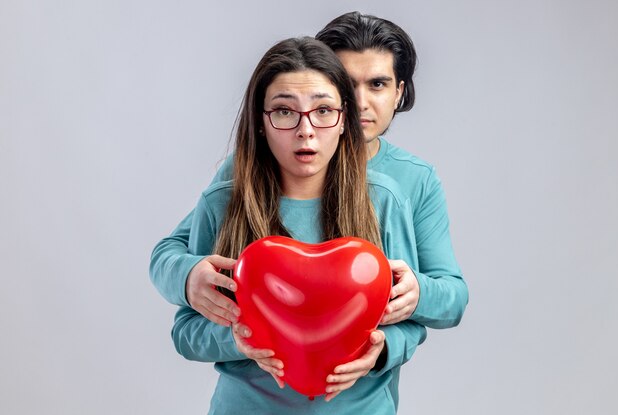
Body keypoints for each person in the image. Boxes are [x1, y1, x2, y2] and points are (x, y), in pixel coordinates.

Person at [151, 11, 467, 331]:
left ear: (399, 92)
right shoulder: (257, 167)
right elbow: (173, 250)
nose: (360, 101)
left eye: (377, 84)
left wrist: (417, 295)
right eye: (345, 82)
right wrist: (189, 277)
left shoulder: (411, 181)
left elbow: (452, 296)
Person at [172, 36, 424, 414]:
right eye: (285, 111)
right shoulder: (223, 201)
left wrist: (382, 349)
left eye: (323, 111)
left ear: (344, 121)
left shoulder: (384, 200)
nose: (306, 130)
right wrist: (236, 341)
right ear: (261, 122)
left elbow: (410, 321)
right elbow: (185, 332)